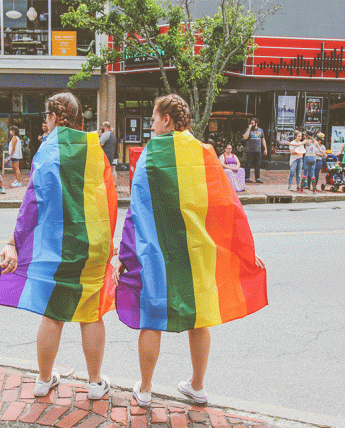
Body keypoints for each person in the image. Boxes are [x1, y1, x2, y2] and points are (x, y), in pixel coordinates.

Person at [113, 94, 267, 407]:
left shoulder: (151, 155)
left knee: (151, 318)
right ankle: (197, 386)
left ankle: (144, 389)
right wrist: (243, 251)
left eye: (154, 119)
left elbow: (137, 212)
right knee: (199, 318)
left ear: (166, 120)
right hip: (197, 252)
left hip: (157, 254)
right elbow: (226, 208)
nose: (152, 125)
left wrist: (126, 257)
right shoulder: (205, 153)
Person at [0, 91, 117, 400]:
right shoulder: (94, 149)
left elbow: (32, 203)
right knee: (91, 313)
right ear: (78, 118)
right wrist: (108, 240)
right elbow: (108, 200)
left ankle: (44, 380)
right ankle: (94, 383)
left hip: (54, 246)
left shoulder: (46, 152)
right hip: (91, 244)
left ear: (52, 117)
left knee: (53, 314)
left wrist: (15, 242)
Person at [243, 118, 267, 183]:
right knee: (248, 164)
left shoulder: (260, 130)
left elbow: (263, 139)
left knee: (258, 164)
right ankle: (247, 178)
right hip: (249, 150)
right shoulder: (249, 130)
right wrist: (249, 128)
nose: (251, 124)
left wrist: (265, 148)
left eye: (252, 123)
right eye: (251, 122)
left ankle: (257, 178)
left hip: (258, 150)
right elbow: (245, 137)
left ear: (256, 123)